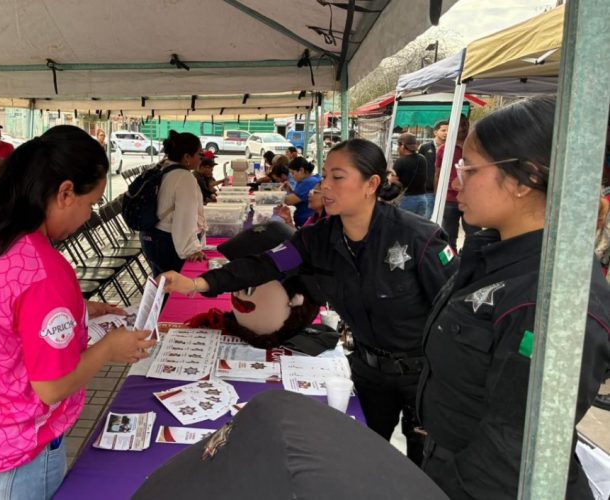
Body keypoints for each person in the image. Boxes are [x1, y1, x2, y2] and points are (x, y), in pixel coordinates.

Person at [162, 138, 457, 465]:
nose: (324, 186)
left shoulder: (418, 237)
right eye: (325, 176)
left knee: (424, 466)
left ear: (371, 184)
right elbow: (264, 265)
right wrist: (198, 282)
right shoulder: (318, 239)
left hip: (424, 376)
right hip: (368, 371)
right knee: (369, 455)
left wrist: (450, 385)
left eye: (337, 177)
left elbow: (453, 315)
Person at [0, 125, 156, 500]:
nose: (89, 217)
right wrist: (110, 348)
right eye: (90, 204)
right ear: (64, 192)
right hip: (2, 462)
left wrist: (78, 309)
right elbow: (52, 386)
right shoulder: (43, 269)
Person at [416, 96, 610, 499]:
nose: (456, 182)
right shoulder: (493, 254)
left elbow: (512, 449)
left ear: (524, 181)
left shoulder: (554, 296)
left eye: (468, 168)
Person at [140, 130, 206, 276]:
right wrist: (191, 249)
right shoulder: (184, 177)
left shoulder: (164, 168)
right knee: (173, 288)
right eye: (199, 154)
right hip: (167, 242)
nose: (201, 159)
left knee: (163, 286)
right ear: (187, 157)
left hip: (150, 238)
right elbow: (185, 217)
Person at [435, 115, 480, 250]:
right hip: (449, 200)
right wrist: (437, 196)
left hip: (473, 198)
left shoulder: (476, 147)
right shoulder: (444, 149)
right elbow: (437, 174)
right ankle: (451, 266)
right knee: (449, 236)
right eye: (459, 124)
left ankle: (469, 260)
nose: (463, 127)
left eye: (465, 124)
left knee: (475, 234)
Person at [393, 133, 428, 217]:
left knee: (403, 227)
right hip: (422, 199)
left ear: (402, 146)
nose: (397, 148)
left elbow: (394, 181)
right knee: (418, 228)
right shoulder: (422, 158)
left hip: (406, 200)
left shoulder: (400, 161)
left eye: (398, 145)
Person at [419, 121, 448, 219]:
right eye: (443, 130)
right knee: (426, 218)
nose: (446, 133)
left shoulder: (451, 148)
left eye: (448, 130)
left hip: (446, 192)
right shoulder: (425, 148)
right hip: (428, 191)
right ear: (435, 132)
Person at [283, 157, 322, 227]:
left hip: (304, 223)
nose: (292, 176)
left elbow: (289, 201)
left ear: (301, 170)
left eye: (293, 173)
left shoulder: (309, 182)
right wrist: (289, 190)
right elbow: (298, 196)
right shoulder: (313, 179)